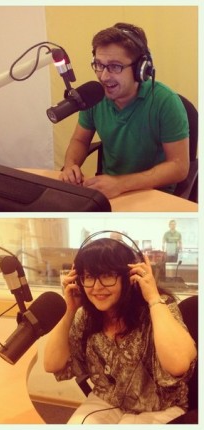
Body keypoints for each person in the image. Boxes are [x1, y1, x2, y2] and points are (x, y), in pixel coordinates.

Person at [44, 236, 196, 424]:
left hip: (160, 405)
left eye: (107, 275)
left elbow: (178, 365)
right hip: (107, 399)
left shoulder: (160, 306)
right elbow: (51, 364)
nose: (96, 287)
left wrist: (153, 297)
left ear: (129, 276)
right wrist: (69, 310)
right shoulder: (85, 315)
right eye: (89, 277)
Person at [60, 23, 189, 199]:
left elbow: (179, 166)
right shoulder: (94, 96)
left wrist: (121, 184)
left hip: (153, 193)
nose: (104, 76)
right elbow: (80, 140)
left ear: (140, 69)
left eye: (115, 66)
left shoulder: (166, 102)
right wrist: (70, 165)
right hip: (108, 190)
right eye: (99, 64)